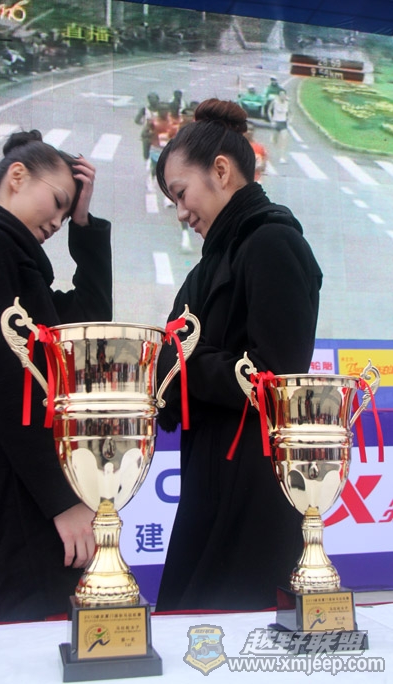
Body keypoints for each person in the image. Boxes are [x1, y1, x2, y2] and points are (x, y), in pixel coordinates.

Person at [153, 99, 322, 612]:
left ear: (221, 171)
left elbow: (273, 379)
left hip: (253, 487)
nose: (182, 213)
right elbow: (168, 362)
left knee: (230, 629)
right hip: (207, 477)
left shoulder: (273, 243)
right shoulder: (210, 263)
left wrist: (186, 363)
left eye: (181, 193)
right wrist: (180, 363)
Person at [0, 130, 112, 622]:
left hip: (15, 481)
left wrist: (83, 222)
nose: (57, 222)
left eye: (66, 214)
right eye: (59, 203)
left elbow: (87, 320)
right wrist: (62, 501)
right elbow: (6, 384)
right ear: (17, 176)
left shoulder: (6, 256)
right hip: (16, 487)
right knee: (40, 625)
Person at [268, 88, 290, 163]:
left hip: (283, 123)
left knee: (284, 140)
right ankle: (272, 150)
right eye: (281, 95)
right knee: (274, 140)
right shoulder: (275, 102)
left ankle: (282, 157)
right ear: (278, 96)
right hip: (276, 122)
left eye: (284, 95)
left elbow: (291, 113)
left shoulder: (287, 103)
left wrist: (289, 120)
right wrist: (271, 120)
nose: (282, 96)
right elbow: (269, 110)